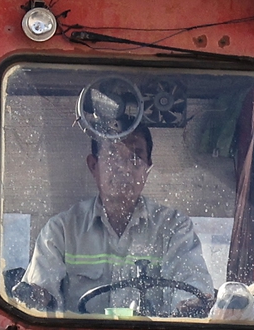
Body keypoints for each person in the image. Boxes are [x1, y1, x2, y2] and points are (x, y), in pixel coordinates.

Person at [20, 126, 215, 317]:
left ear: (148, 168)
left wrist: (192, 305)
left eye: (135, 157)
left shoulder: (174, 227)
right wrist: (36, 297)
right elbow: (35, 308)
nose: (124, 167)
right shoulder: (61, 231)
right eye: (112, 155)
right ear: (93, 166)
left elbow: (192, 292)